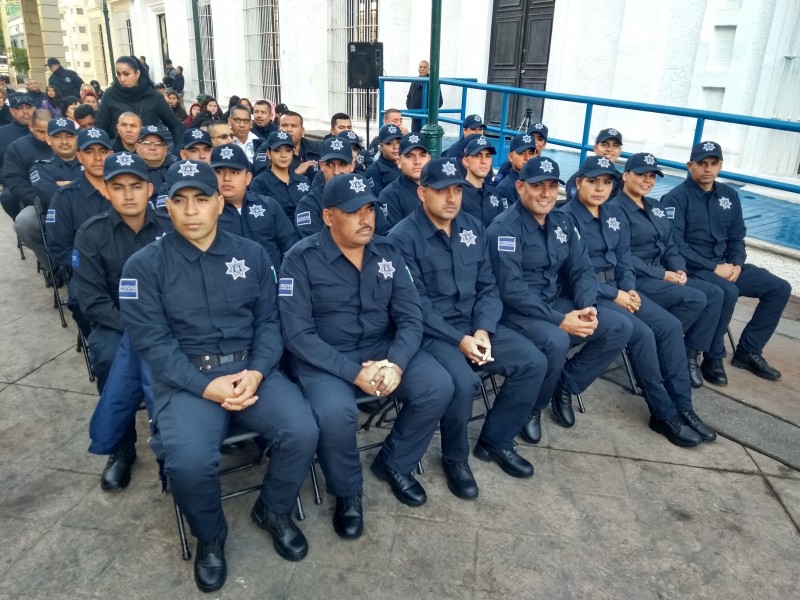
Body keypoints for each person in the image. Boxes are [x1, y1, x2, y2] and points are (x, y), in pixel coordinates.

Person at [120, 159, 319, 591]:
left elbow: (270, 322)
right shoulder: (143, 266)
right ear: (166, 207)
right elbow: (153, 344)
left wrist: (258, 372)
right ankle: (211, 536)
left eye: (202, 199)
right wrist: (204, 385)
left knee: (303, 429)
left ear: (219, 201)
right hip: (188, 381)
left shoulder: (252, 255)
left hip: (250, 370)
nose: (192, 210)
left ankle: (274, 508)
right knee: (189, 461)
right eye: (180, 200)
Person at [280, 172, 453, 537]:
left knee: (437, 385)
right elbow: (298, 335)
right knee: (335, 412)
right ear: (329, 217)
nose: (366, 219)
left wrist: (396, 363)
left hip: (382, 347)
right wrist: (353, 373)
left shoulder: (388, 251)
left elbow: (410, 316)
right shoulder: (300, 259)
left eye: (370, 209)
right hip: (324, 358)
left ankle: (394, 463)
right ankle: (348, 493)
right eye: (354, 211)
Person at [389, 157, 544, 495]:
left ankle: (496, 440)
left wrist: (483, 330)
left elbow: (489, 286)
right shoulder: (401, 238)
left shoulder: (473, 227)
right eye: (442, 190)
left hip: (476, 326)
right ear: (422, 193)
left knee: (533, 362)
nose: (451, 198)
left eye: (457, 189)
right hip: (433, 333)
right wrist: (460, 339)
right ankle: (455, 458)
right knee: (461, 383)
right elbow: (415, 305)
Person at [561, 156, 714, 446]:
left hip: (620, 288)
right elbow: (572, 274)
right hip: (587, 294)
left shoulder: (613, 216)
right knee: (642, 334)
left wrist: (629, 289)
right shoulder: (565, 219)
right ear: (579, 182)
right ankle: (663, 413)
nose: (599, 189)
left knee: (669, 327)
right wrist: (614, 294)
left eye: (606, 182)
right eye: (593, 181)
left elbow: (623, 259)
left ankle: (684, 406)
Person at [487, 157, 632, 441]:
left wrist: (587, 306)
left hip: (555, 303)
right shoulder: (503, 229)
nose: (546, 193)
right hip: (517, 313)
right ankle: (533, 407)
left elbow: (581, 269)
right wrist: (561, 320)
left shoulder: (563, 221)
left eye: (552, 186)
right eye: (537, 186)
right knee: (557, 340)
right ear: (519, 187)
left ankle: (564, 385)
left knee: (619, 326)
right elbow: (512, 289)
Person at [72, 152, 172, 491]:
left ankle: (189, 433)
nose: (128, 194)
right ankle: (121, 446)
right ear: (105, 191)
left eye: (135, 186)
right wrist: (137, 329)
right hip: (119, 325)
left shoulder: (170, 227)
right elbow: (92, 300)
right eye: (118, 186)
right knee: (107, 355)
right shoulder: (91, 234)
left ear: (150, 189)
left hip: (170, 321)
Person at [663, 141, 791, 383]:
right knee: (727, 292)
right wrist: (714, 268)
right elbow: (676, 245)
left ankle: (748, 351)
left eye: (714, 163)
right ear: (690, 165)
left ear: (721, 165)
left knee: (779, 288)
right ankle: (711, 356)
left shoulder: (729, 195)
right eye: (702, 163)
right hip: (696, 268)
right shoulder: (675, 199)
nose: (708, 169)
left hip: (727, 266)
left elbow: (736, 236)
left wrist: (737, 265)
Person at [610, 152, 725, 389]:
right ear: (625, 176)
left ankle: (686, 352)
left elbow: (670, 245)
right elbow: (622, 256)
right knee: (694, 298)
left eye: (652, 176)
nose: (647, 180)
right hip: (638, 278)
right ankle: (661, 348)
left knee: (715, 294)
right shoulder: (614, 210)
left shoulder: (656, 207)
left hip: (663, 273)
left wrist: (679, 269)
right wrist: (663, 275)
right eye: (641, 175)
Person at [211, 143, 298, 268]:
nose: (226, 178)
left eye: (235, 172)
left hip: (273, 282)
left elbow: (291, 248)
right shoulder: (205, 213)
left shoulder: (269, 205)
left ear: (248, 178)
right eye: (219, 172)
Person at [14, 117, 80, 274]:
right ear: (48, 140)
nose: (64, 141)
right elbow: (54, 198)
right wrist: (81, 185)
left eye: (69, 136)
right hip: (60, 223)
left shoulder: (91, 162)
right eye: (57, 136)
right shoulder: (41, 168)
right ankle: (55, 270)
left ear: (77, 138)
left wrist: (64, 185)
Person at [294, 136, 389, 238]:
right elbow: (314, 246)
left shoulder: (366, 199)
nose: (336, 172)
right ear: (321, 165)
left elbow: (384, 236)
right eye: (330, 165)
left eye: (343, 165)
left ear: (352, 165)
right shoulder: (309, 204)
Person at [95, 56, 185, 144]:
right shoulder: (109, 95)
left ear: (137, 74)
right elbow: (100, 127)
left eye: (126, 74)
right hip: (119, 154)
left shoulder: (154, 97)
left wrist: (177, 151)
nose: (122, 79)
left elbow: (175, 125)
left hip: (149, 153)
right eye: (119, 74)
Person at [1, 108, 52, 220]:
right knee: (23, 220)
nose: (46, 136)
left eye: (49, 131)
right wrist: (36, 199)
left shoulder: (63, 143)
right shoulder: (17, 148)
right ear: (31, 127)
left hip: (64, 196)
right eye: (41, 132)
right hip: (34, 197)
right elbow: (14, 179)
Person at [250, 130, 311, 220]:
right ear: (269, 154)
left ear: (293, 153)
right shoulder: (260, 183)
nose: (283, 155)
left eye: (288, 150)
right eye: (277, 150)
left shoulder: (303, 180)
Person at [380, 132, 430, 227]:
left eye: (422, 156)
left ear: (429, 159)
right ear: (399, 161)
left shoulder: (439, 188)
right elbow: (392, 238)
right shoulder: (390, 196)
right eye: (409, 156)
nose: (417, 162)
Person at [565, 128, 624, 204]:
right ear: (595, 148)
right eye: (604, 145)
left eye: (615, 146)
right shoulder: (580, 177)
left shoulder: (622, 181)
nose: (609, 149)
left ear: (620, 151)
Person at [460, 135, 509, 226]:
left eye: (488, 156)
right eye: (477, 156)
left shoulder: (495, 194)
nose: (484, 161)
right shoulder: (457, 194)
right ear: (466, 161)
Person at [493, 131, 539, 204]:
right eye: (521, 153)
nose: (527, 158)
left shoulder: (539, 181)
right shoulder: (504, 189)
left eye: (531, 153)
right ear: (510, 156)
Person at [135, 125, 174, 197]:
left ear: (165, 149)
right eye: (146, 143)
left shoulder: (176, 169)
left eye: (158, 144)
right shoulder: (132, 171)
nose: (152, 148)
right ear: (137, 147)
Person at [364, 124, 402, 195]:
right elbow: (378, 200)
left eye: (398, 142)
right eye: (389, 143)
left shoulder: (409, 164)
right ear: (381, 146)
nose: (395, 147)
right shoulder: (373, 171)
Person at [406, 60, 443, 133]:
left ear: (428, 69)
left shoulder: (433, 82)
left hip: (428, 117)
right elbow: (409, 96)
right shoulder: (414, 81)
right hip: (415, 116)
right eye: (420, 67)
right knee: (415, 137)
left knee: (427, 139)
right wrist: (411, 108)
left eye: (424, 67)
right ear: (418, 68)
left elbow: (439, 101)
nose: (422, 69)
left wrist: (431, 112)